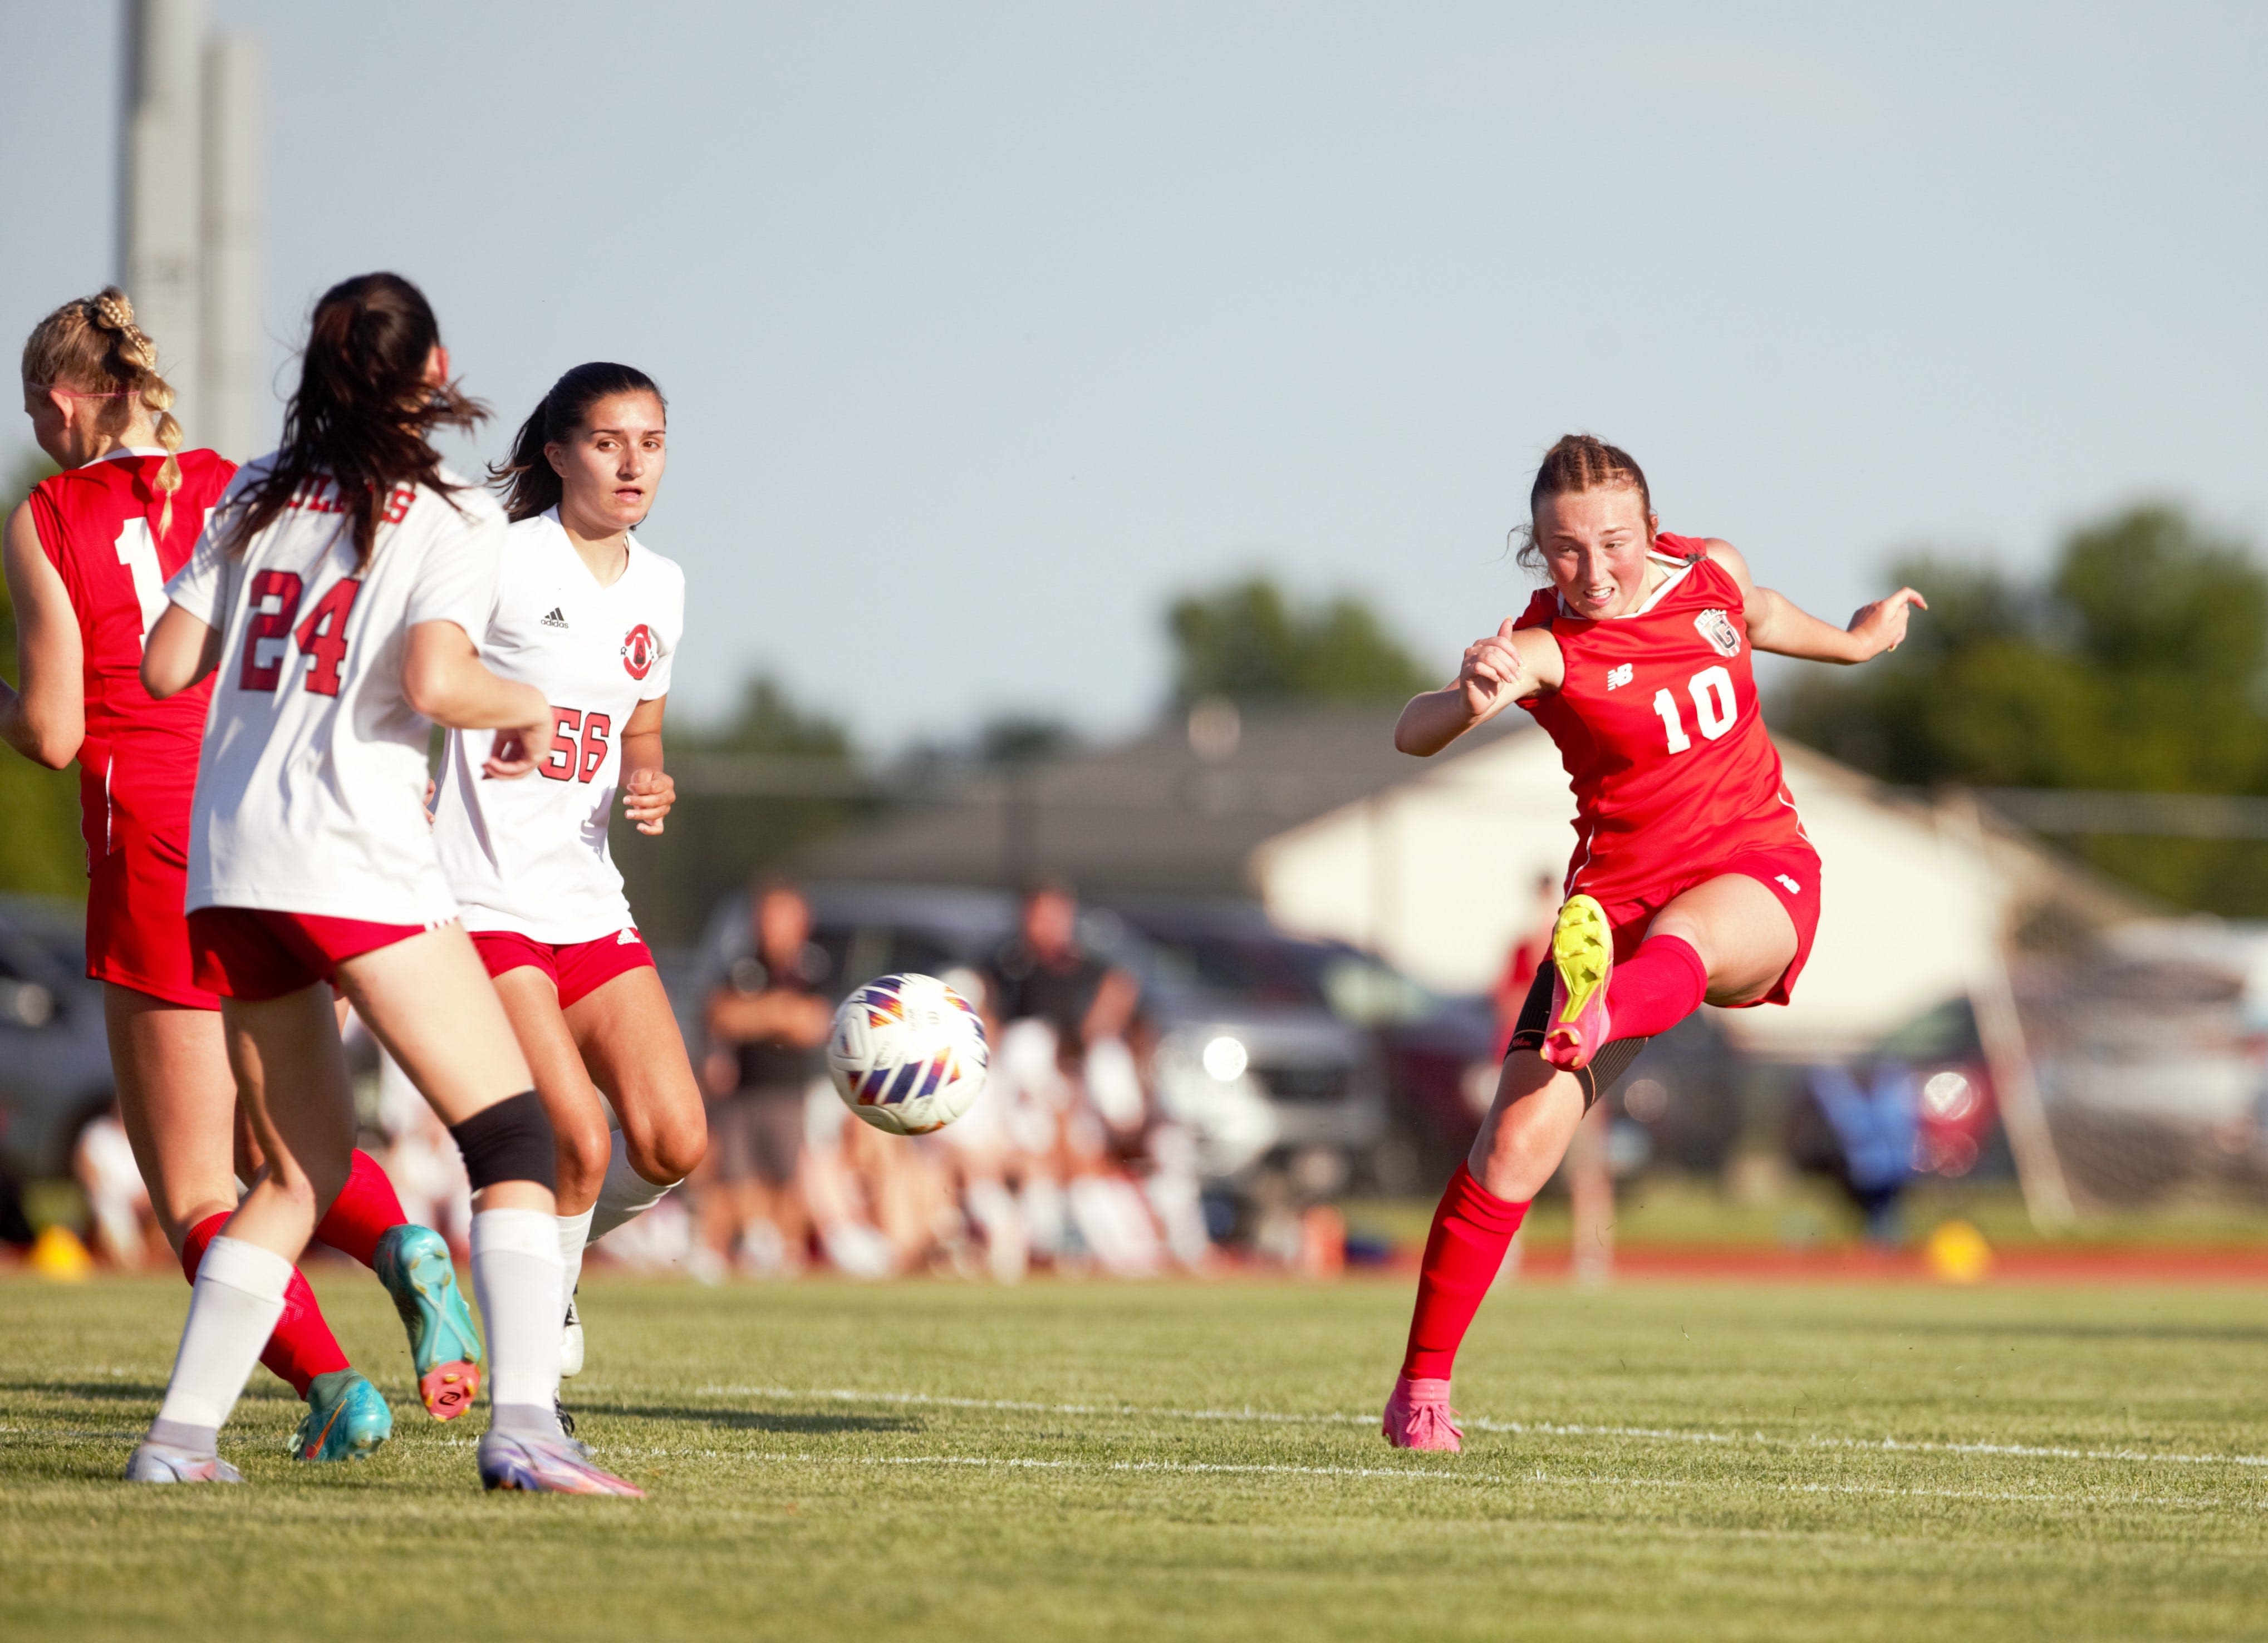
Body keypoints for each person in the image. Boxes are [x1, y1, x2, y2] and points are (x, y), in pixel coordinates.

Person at [124, 272, 639, 1494]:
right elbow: (441, 679)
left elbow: (162, 667)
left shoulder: (253, 492)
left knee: (300, 1169)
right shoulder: (448, 517)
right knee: (512, 1131)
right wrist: (528, 704)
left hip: (229, 864)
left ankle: (180, 1442)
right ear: (435, 367)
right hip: (348, 851)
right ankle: (524, 1426)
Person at [1380, 434, 1925, 1450]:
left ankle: (1603, 1009)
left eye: (1612, 542)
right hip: (1611, 909)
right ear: (1537, 551)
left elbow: (1754, 617)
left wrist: (1854, 643)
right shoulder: (1545, 646)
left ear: (1648, 526)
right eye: (1564, 551)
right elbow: (1409, 734)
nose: (1593, 570)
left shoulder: (1710, 569)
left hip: (1757, 873)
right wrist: (1466, 690)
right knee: (1507, 1149)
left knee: (1689, 933)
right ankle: (1419, 1393)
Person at [2, 287, 467, 1463]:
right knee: (295, 1144)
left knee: (202, 1192)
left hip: (152, 851)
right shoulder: (247, 482)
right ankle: (406, 1244)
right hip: (281, 833)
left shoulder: (49, 514)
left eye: (33, 412)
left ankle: (331, 1389)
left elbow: (57, 732)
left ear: (63, 403)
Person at [431, 362, 701, 1402]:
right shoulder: (500, 559)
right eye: (607, 440)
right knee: (575, 1137)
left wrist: (648, 779)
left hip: (588, 901)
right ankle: (528, 1387)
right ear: (556, 451)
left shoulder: (663, 585)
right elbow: (419, 680)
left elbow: (641, 726)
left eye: (653, 440)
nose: (633, 461)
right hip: (485, 897)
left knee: (675, 1138)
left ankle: (551, 1268)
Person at [701, 882, 831, 1275]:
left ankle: (785, 1252)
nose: (771, 926)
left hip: (790, 1093)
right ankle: (757, 1246)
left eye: (781, 917)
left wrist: (754, 1015)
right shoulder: (741, 965)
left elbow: (812, 1023)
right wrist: (778, 1012)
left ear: (801, 921)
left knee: (788, 1177)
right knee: (739, 1177)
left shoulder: (815, 967)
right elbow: (721, 1015)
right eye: (766, 917)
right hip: (744, 1093)